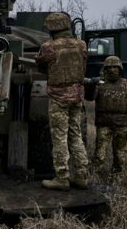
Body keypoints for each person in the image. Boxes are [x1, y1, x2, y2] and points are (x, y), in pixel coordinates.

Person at [35, 12, 89, 191]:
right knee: (76, 135)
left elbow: (42, 66)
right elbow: (83, 67)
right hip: (77, 96)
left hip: (58, 97)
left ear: (51, 28)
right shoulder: (81, 45)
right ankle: (81, 176)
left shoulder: (48, 47)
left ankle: (62, 177)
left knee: (59, 137)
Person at [86, 56, 127, 177]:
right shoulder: (100, 84)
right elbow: (90, 97)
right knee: (99, 154)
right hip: (104, 124)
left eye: (115, 67)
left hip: (122, 124)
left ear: (120, 69)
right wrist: (92, 85)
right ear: (105, 69)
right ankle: (93, 177)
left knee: (120, 154)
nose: (112, 70)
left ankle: (117, 177)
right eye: (109, 67)